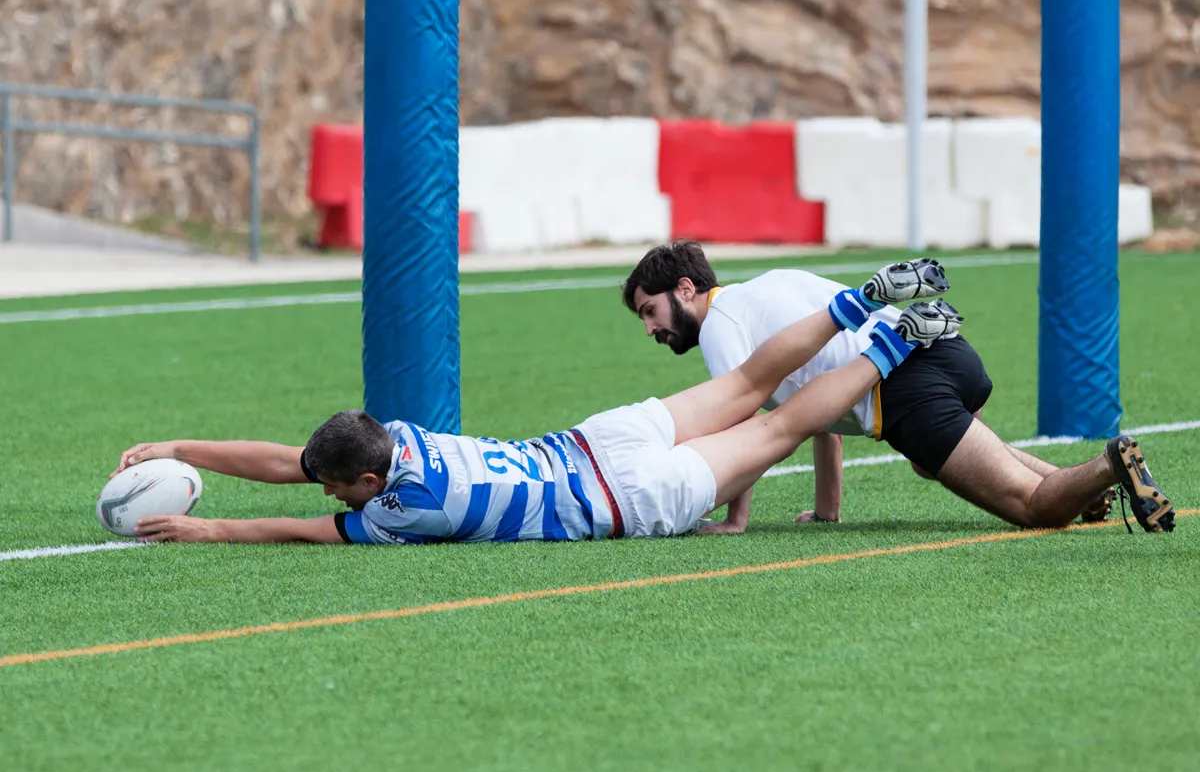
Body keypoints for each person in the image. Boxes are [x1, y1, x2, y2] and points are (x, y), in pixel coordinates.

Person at [111, 260, 965, 545]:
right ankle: (863, 303)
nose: (329, 495)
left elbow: (288, 522)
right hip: (592, 441)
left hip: (625, 500)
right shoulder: (399, 439)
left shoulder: (409, 511)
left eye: (338, 490)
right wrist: (178, 447)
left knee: (777, 422)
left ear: (370, 485)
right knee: (744, 390)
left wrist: (205, 525)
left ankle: (898, 340)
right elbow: (292, 469)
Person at [620, 240, 1175, 534]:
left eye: (650, 311)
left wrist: (735, 520)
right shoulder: (767, 287)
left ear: (687, 288)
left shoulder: (719, 327)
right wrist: (827, 511)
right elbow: (823, 421)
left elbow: (743, 425)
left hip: (899, 382)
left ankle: (1106, 466)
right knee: (938, 461)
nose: (650, 329)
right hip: (942, 347)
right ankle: (1084, 484)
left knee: (1032, 510)